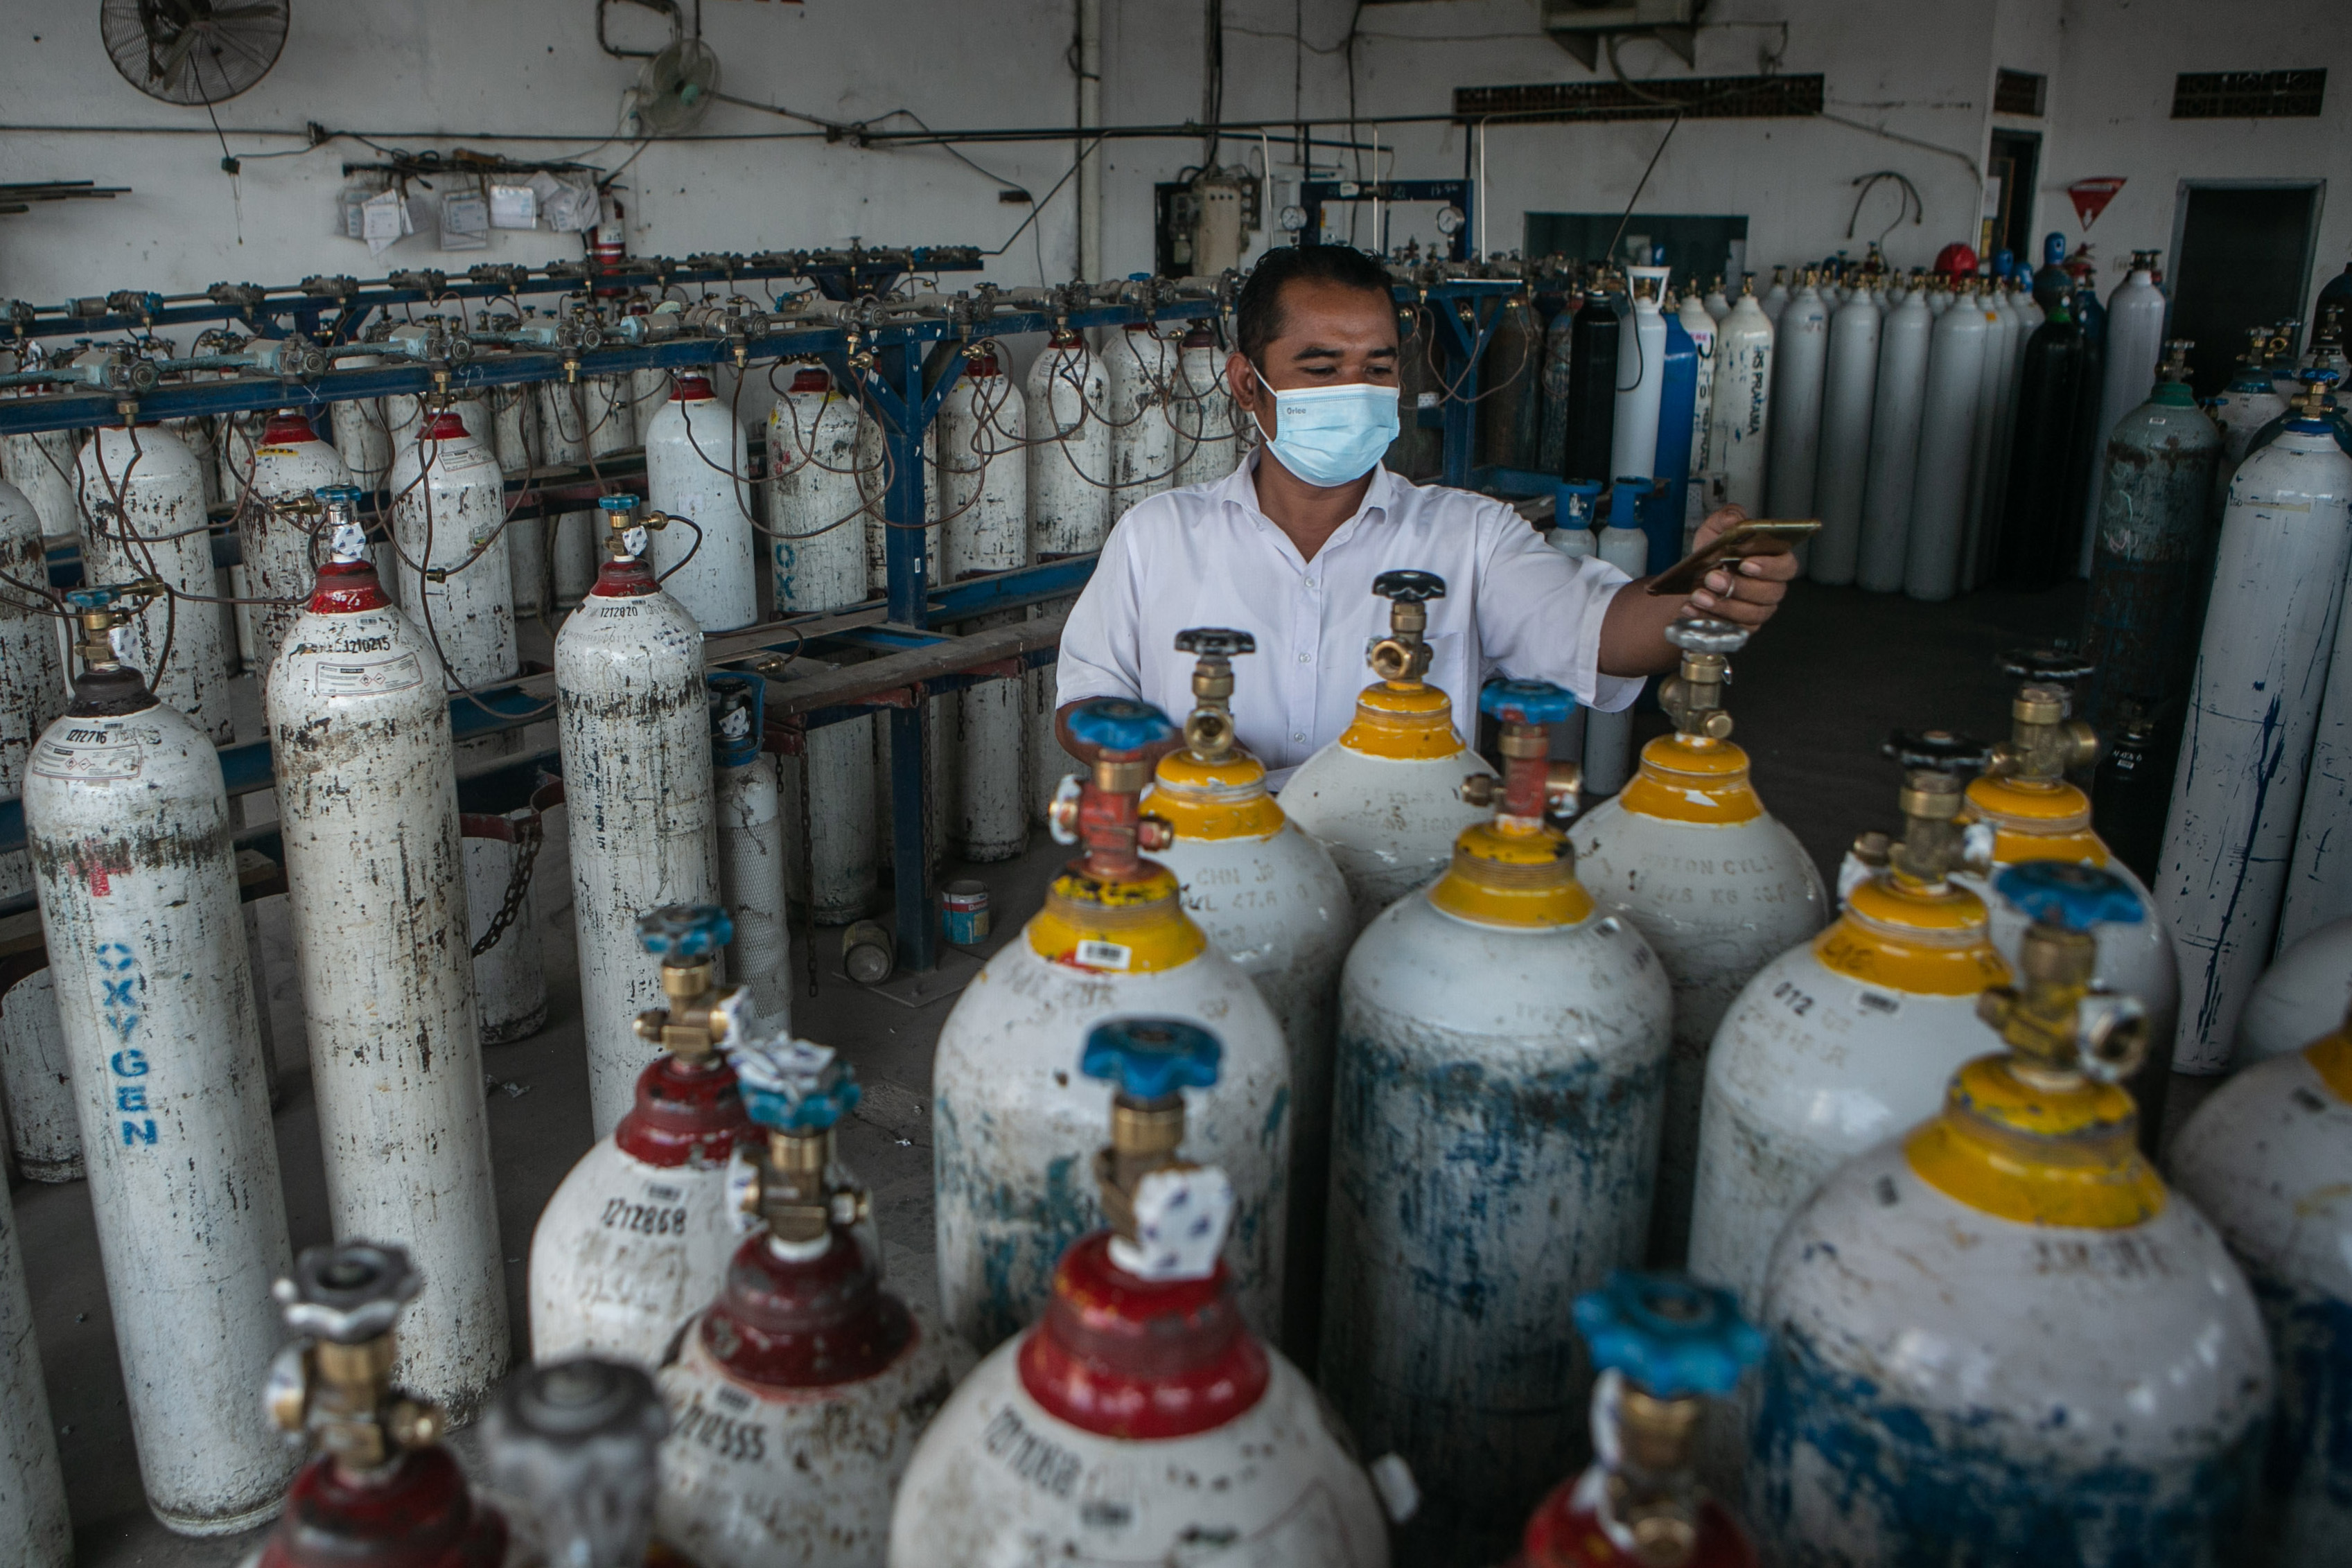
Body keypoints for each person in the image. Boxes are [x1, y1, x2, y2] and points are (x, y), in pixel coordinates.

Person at [1053, 243, 1795, 782]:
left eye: (1376, 368)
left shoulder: (1467, 536)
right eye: (1321, 370)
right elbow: (1083, 701)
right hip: (1205, 864)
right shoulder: (1158, 538)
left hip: (1404, 872)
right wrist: (1182, 762)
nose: (1357, 386)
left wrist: (1708, 595)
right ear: (1247, 385)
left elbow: (1602, 633)